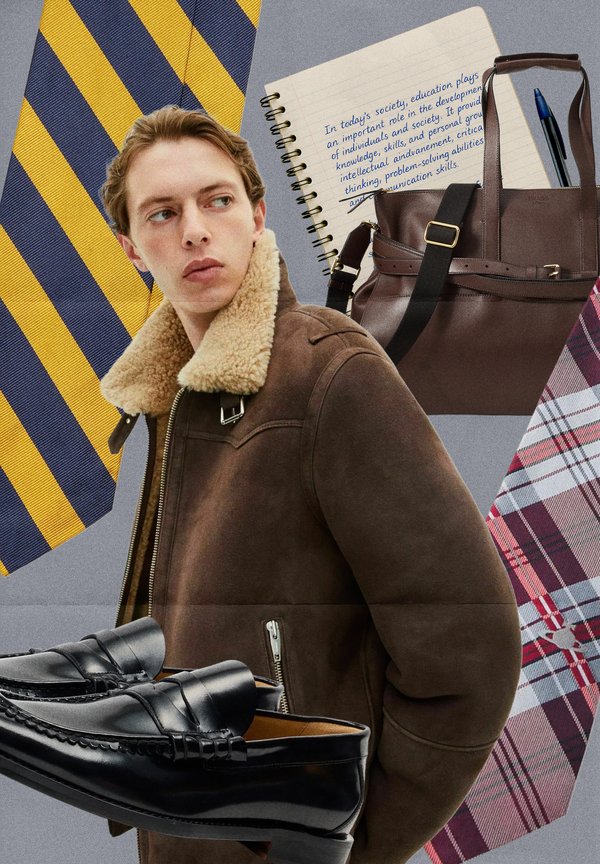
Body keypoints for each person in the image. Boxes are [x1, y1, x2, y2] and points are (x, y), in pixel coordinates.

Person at [99, 105, 522, 864]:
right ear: (133, 249)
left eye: (217, 200)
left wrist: (350, 846)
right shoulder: (174, 400)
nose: (194, 228)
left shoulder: (328, 372)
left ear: (258, 215)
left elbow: (471, 650)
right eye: (163, 213)